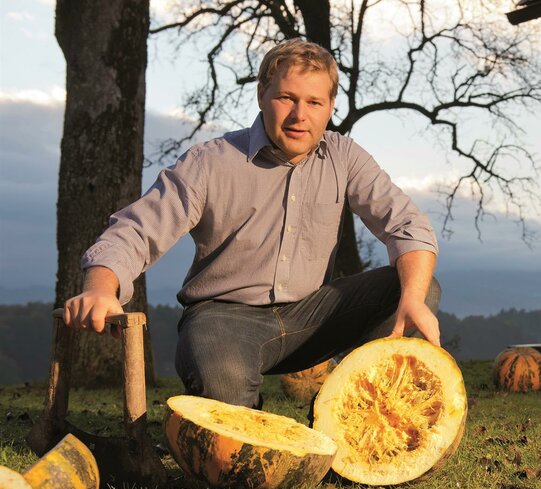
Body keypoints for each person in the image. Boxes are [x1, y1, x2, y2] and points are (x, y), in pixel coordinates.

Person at [63, 38, 441, 408]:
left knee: (416, 288)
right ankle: (242, 432)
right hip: (223, 319)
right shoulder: (210, 162)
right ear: (262, 95)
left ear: (330, 107)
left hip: (310, 316)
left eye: (314, 102)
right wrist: (100, 289)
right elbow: (136, 230)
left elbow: (406, 225)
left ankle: (346, 411)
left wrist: (412, 298)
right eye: (287, 98)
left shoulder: (344, 157)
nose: (300, 115)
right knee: (225, 395)